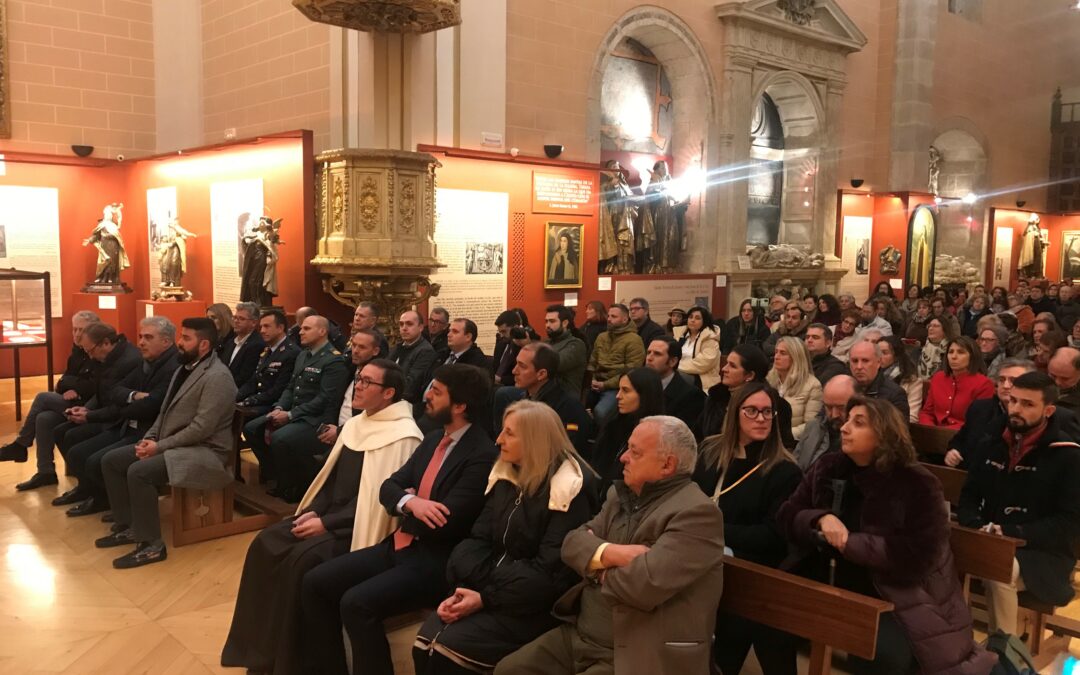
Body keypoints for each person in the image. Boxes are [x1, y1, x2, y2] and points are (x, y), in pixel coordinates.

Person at [221, 359, 423, 674]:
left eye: (368, 382)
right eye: (359, 378)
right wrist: (315, 511)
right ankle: (262, 655)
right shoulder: (357, 424)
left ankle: (300, 664)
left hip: (358, 529)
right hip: (329, 515)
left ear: (389, 393)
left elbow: (375, 502)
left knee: (301, 563)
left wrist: (326, 523)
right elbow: (330, 480)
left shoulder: (404, 436)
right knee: (265, 543)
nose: (358, 385)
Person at [298, 364, 497, 675]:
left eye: (437, 391)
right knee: (315, 582)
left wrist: (406, 502)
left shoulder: (481, 453)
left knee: (356, 603)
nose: (426, 396)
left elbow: (446, 520)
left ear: (460, 406)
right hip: (400, 544)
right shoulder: (433, 439)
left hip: (435, 560)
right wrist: (411, 501)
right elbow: (388, 487)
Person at [778, 397, 996, 675]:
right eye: (846, 420)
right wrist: (820, 518)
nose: (844, 428)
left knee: (880, 654)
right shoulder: (829, 466)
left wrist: (849, 543)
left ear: (884, 434)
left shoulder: (917, 482)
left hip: (896, 593)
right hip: (826, 579)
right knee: (769, 617)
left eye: (858, 423)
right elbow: (786, 514)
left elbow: (920, 555)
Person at [494, 416, 725, 675]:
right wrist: (612, 553)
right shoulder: (620, 495)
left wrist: (594, 565)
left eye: (635, 452)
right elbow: (571, 543)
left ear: (667, 465)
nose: (623, 457)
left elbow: (642, 586)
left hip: (636, 650)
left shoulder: (697, 514)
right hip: (579, 636)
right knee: (509, 670)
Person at [413, 401, 597, 674]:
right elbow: (477, 541)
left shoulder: (570, 489)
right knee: (424, 644)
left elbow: (549, 573)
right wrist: (472, 591)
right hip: (494, 591)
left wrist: (485, 597)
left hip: (536, 607)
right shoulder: (506, 475)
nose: (498, 440)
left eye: (509, 433)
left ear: (535, 439)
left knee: (446, 652)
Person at [95, 318, 238, 569]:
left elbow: (201, 429)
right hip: (175, 445)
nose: (179, 343)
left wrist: (159, 447)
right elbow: (163, 413)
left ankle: (151, 545)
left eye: (186, 338)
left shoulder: (217, 377)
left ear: (203, 345)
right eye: (180, 337)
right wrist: (149, 438)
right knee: (112, 461)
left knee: (139, 472)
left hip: (207, 452)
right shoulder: (184, 369)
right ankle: (131, 526)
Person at [957, 372, 1080, 635]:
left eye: (1027, 404)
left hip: (1042, 554)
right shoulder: (992, 441)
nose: (1016, 409)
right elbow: (968, 496)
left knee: (998, 568)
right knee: (939, 554)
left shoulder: (1067, 455)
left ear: (1048, 410)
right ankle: (951, 643)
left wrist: (1011, 534)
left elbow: (1068, 523)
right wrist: (976, 525)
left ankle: (1004, 652)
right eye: (1013, 401)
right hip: (989, 538)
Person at [694, 384, 801, 675]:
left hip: (752, 574)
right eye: (752, 410)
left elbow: (772, 537)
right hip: (701, 562)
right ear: (735, 414)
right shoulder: (711, 451)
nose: (761, 418)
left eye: (767, 412)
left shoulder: (784, 471)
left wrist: (711, 530)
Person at [52, 317, 180, 517]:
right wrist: (134, 396)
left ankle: (118, 508)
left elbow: (152, 405)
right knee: (73, 445)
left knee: (97, 460)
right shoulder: (149, 361)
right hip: (126, 422)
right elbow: (114, 391)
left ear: (166, 341)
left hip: (146, 431)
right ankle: (106, 500)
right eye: (140, 337)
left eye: (148, 337)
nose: (141, 342)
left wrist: (119, 406)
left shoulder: (171, 366)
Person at [15, 322, 143, 491]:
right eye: (74, 328)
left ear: (105, 343)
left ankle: (91, 489)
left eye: (90, 350)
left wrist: (89, 413)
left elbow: (111, 399)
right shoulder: (98, 356)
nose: (89, 356)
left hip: (115, 420)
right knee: (47, 420)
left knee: (50, 409)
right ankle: (52, 473)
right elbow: (90, 388)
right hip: (95, 408)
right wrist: (86, 408)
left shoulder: (127, 361)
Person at [245, 315, 350, 502]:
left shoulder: (333, 360)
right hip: (293, 411)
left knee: (280, 439)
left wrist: (291, 414)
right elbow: (291, 387)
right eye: (301, 328)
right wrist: (279, 407)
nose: (300, 332)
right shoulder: (303, 355)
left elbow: (325, 399)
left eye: (307, 328)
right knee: (252, 429)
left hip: (314, 418)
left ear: (322, 331)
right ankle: (278, 476)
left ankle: (294, 486)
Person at [0, 310, 99, 463]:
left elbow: (96, 385)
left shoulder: (97, 351)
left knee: (42, 397)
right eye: (75, 329)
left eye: (82, 330)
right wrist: (69, 386)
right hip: (72, 401)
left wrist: (76, 390)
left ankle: (21, 444)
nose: (77, 334)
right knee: (43, 418)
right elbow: (63, 381)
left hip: (88, 406)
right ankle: (45, 471)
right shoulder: (77, 351)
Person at [944, 359, 1036, 469]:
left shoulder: (1034, 416)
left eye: (1013, 380)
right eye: (1002, 380)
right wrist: (953, 450)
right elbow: (960, 439)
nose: (1006, 385)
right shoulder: (980, 408)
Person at [509, 343, 593, 457]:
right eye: (516, 364)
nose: (514, 371)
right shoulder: (526, 399)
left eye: (522, 366)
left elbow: (563, 454)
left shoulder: (568, 409)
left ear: (541, 374)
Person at [590, 368, 664, 488]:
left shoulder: (655, 436)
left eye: (626, 391)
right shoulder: (613, 424)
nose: (618, 396)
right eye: (619, 389)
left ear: (645, 395)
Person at [319, 329, 385, 448]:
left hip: (359, 437)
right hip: (335, 430)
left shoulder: (377, 377)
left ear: (375, 351)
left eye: (362, 347)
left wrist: (339, 431)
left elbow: (367, 416)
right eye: (354, 345)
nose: (355, 351)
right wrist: (328, 425)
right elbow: (333, 400)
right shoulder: (348, 368)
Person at [587, 304, 645, 427]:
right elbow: (592, 361)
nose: (609, 319)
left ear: (624, 320)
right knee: (574, 405)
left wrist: (605, 385)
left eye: (613, 316)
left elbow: (632, 370)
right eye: (608, 316)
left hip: (616, 387)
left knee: (601, 412)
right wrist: (591, 378)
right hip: (595, 382)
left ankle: (604, 440)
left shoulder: (634, 340)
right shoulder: (602, 337)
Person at [918, 336, 995, 429]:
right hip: (933, 434)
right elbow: (927, 412)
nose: (953, 356)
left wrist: (943, 433)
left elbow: (978, 422)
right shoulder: (938, 378)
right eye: (950, 352)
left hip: (964, 437)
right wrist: (930, 430)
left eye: (961, 352)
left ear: (972, 356)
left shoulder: (984, 384)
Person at [236, 310, 300, 415]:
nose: (262, 330)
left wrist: (250, 401)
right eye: (261, 327)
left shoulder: (291, 353)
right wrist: (236, 396)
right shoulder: (267, 350)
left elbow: (279, 389)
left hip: (273, 405)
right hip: (259, 400)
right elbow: (254, 380)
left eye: (266, 326)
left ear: (280, 328)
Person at [701, 343, 771, 438]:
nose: (724, 369)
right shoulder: (716, 398)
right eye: (726, 363)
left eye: (732, 366)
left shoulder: (771, 405)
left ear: (750, 375)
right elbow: (699, 435)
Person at [793, 375, 857, 471]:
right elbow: (795, 466)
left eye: (841, 408)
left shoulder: (864, 438)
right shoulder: (813, 427)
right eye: (829, 407)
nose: (834, 414)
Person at [646, 337, 705, 439]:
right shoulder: (639, 385)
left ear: (673, 361)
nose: (649, 358)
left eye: (657, 354)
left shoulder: (691, 396)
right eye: (648, 352)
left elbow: (681, 437)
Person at [766, 336, 823, 440]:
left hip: (791, 443)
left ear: (796, 357)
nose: (776, 357)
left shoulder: (813, 386)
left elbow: (811, 426)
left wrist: (782, 435)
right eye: (776, 352)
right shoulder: (768, 380)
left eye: (783, 353)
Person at [848, 340, 910, 419]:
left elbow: (899, 430)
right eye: (854, 361)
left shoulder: (895, 395)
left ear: (878, 362)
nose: (859, 367)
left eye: (865, 361)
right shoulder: (844, 388)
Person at [393, 310, 438, 406]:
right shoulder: (397, 347)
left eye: (409, 324)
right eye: (401, 324)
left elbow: (411, 385)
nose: (404, 328)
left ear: (421, 327)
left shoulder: (425, 351)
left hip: (406, 403)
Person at [545, 305, 587, 397]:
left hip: (564, 396)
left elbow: (556, 364)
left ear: (564, 323)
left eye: (552, 321)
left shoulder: (576, 344)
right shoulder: (547, 342)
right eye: (546, 321)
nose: (548, 325)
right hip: (545, 391)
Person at [878, 335, 922, 422]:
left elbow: (911, 417)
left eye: (884, 353)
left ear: (896, 356)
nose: (879, 357)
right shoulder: (870, 376)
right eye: (877, 353)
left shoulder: (912, 380)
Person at [678, 305, 721, 391]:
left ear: (704, 321)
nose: (692, 320)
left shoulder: (710, 339)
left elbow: (703, 363)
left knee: (673, 377)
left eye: (697, 318)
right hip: (681, 373)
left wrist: (676, 366)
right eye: (690, 317)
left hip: (702, 378)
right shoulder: (681, 336)